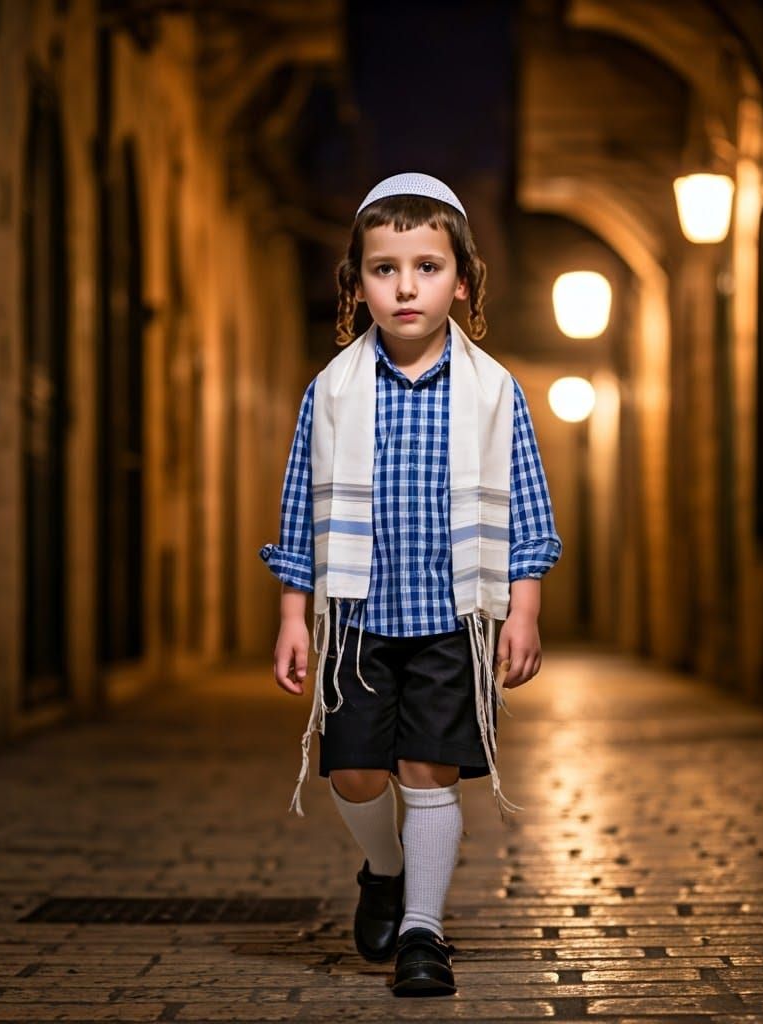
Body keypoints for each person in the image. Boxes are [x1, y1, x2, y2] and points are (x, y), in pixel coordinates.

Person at [259, 172, 561, 997]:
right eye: (384, 268)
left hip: (451, 618)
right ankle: (384, 869)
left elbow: (528, 508)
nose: (405, 286)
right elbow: (299, 513)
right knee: (354, 771)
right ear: (356, 283)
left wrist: (522, 610)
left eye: (427, 267)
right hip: (356, 619)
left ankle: (424, 934)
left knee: (429, 770)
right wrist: (294, 616)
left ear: (461, 282)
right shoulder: (332, 392)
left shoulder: (495, 392)